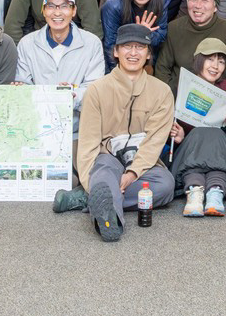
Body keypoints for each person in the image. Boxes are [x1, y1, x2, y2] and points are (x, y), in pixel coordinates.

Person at [69, 23, 175, 242]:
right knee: (103, 172)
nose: (133, 53)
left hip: (143, 165)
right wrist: (88, 182)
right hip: (107, 159)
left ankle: (91, 198)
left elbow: (154, 142)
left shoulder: (162, 91)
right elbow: (88, 142)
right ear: (116, 51)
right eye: (127, 46)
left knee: (165, 185)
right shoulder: (97, 90)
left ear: (148, 54)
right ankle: (111, 220)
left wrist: (132, 174)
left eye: (140, 47)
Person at [171, 38, 226, 219]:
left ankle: (215, 192)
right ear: (198, 60)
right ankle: (195, 192)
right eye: (210, 59)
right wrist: (177, 136)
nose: (215, 66)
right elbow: (168, 130)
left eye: (221, 61)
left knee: (214, 134)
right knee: (200, 133)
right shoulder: (180, 88)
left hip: (221, 154)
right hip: (189, 152)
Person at [15, 0, 104, 120]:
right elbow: (23, 84)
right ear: (43, 11)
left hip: (77, 125)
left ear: (74, 11)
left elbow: (94, 87)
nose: (57, 13)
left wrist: (74, 95)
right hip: (37, 122)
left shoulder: (92, 44)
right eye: (51, 6)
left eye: (64, 6)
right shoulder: (27, 44)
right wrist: (20, 89)